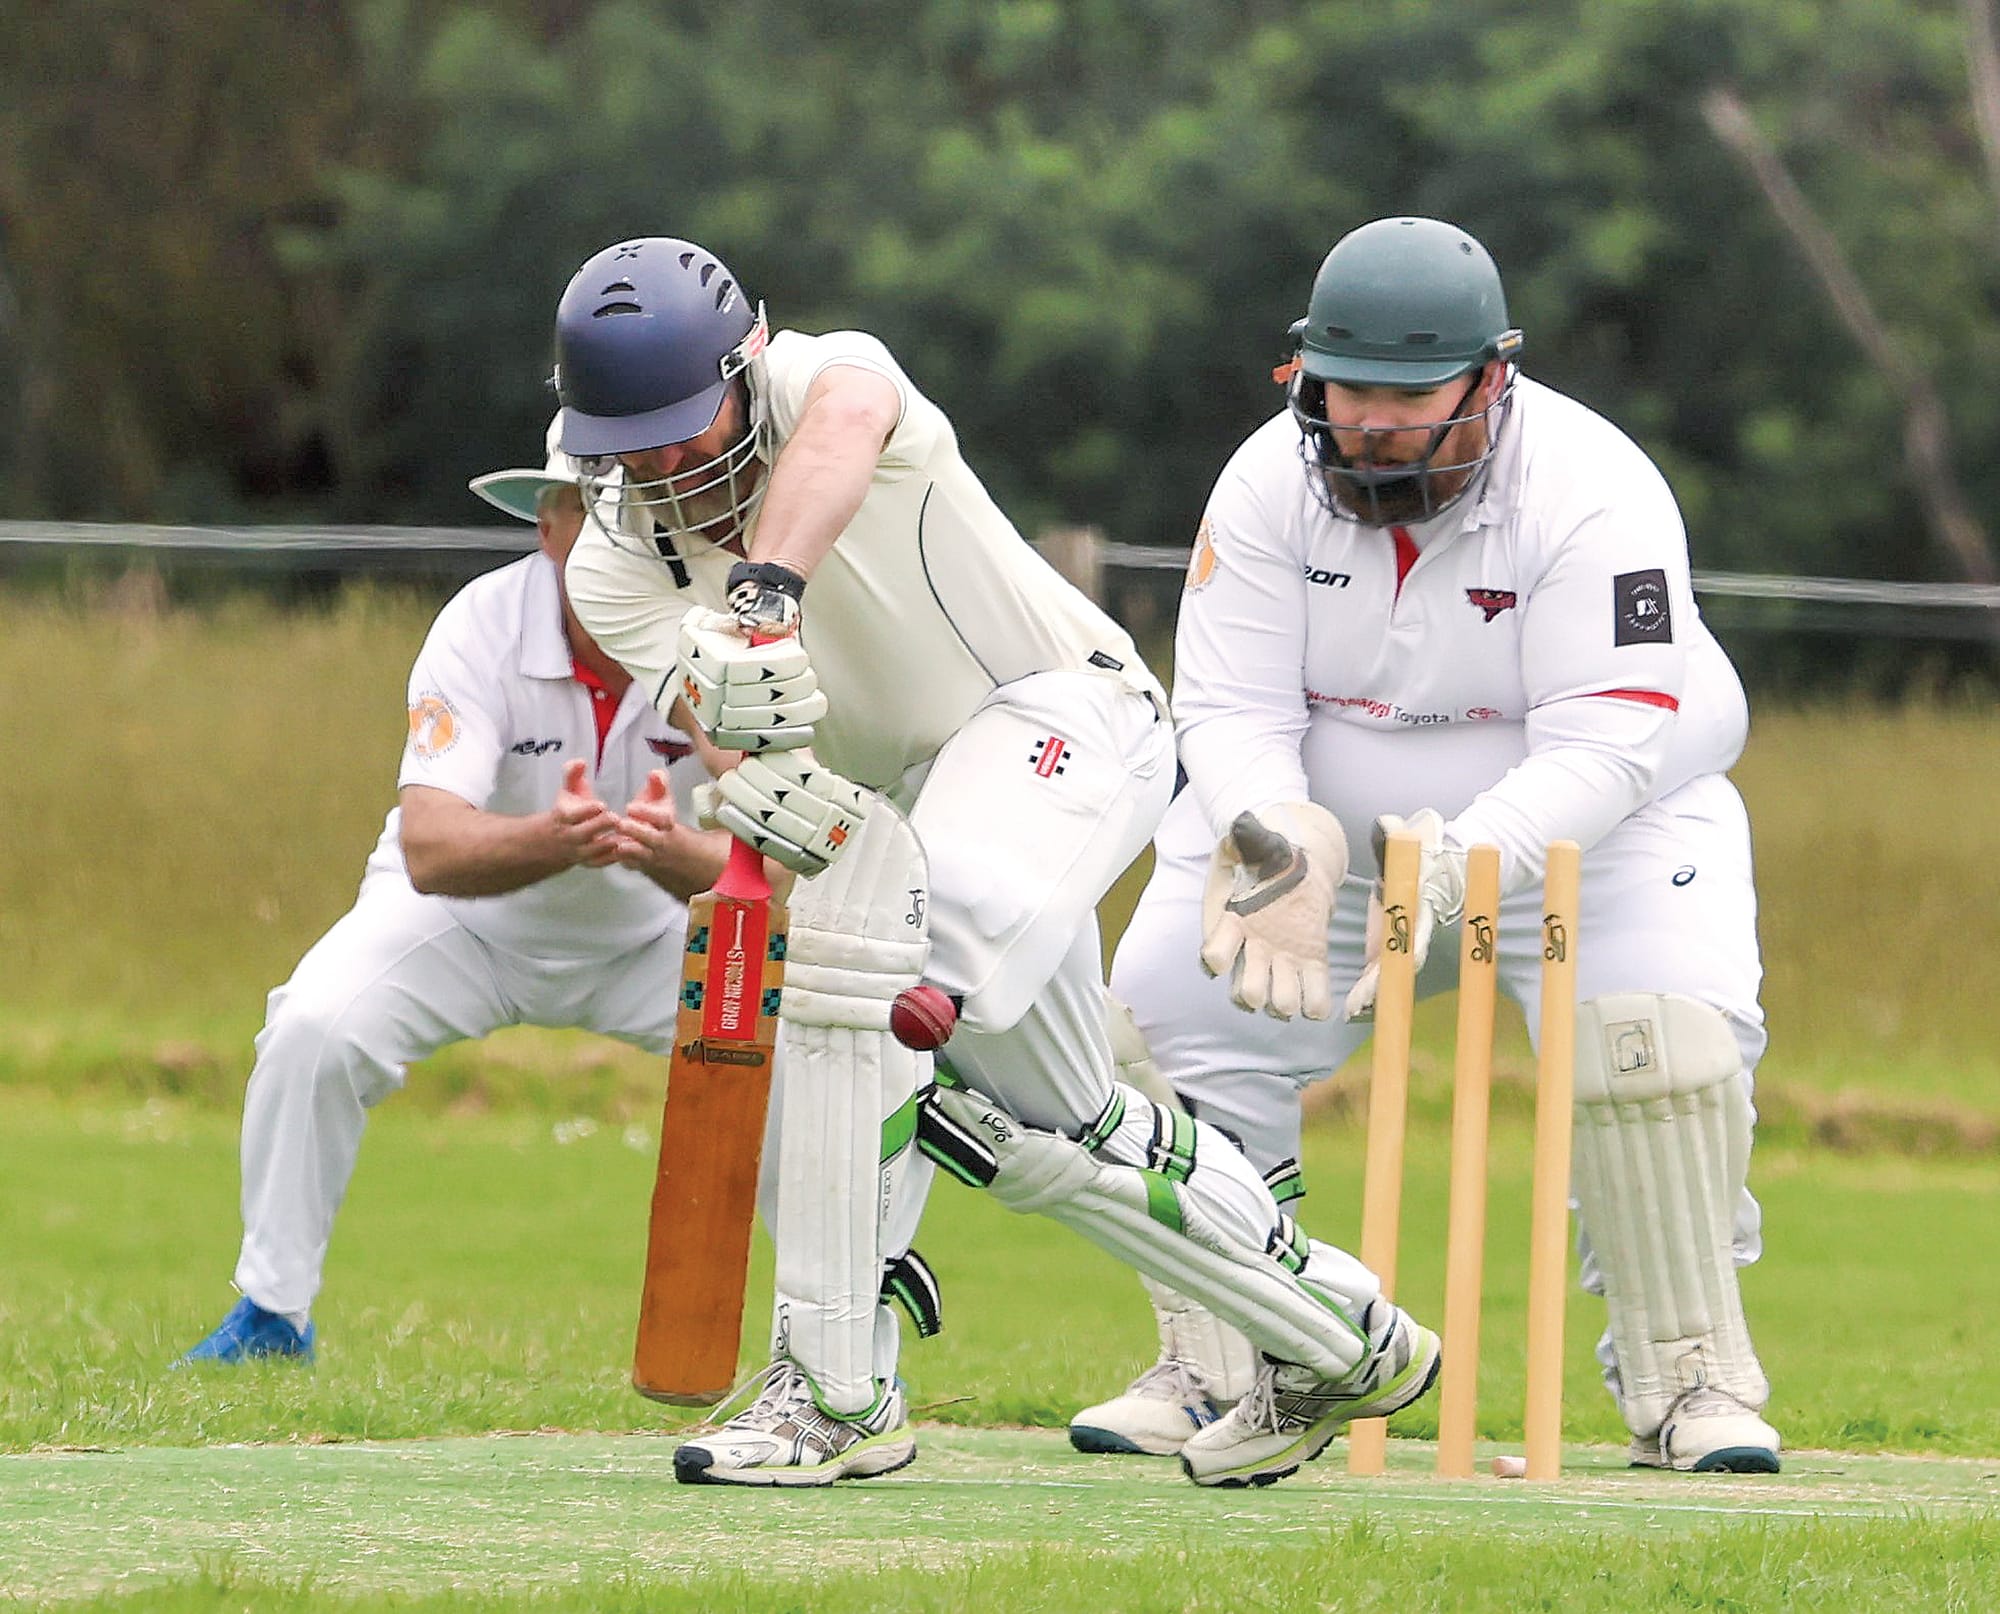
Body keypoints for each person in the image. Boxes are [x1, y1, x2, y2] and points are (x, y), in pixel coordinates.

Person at [547, 234, 1443, 1489]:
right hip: (909, 810)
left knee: (858, 985)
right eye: (624, 441)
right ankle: (1343, 1341)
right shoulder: (611, 563)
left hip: (1058, 719)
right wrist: (765, 782)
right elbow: (736, 754)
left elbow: (849, 418)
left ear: (747, 370)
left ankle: (835, 1394)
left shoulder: (828, 379)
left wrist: (761, 598)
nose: (657, 464)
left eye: (682, 428)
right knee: (1055, 1129)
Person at [1068, 216, 1782, 1475]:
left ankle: (1687, 1378)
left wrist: (1464, 857)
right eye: (1351, 394)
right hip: (1331, 847)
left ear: (1490, 377)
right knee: (1151, 1014)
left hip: (1594, 834)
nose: (1377, 425)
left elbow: (1611, 736)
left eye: (1412, 399)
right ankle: (1226, 1360)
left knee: (1652, 1051)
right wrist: (1273, 837)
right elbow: (1230, 705)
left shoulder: (1592, 485)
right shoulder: (1261, 483)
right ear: (1306, 375)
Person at [178, 425, 733, 1364]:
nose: (624, 536)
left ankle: (832, 1347)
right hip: (464, 924)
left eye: (644, 511)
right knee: (315, 1027)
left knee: (816, 1059)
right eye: (595, 510)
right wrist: (553, 840)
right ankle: (273, 1315)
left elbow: (777, 866)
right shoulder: (478, 626)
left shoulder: (715, 639)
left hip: (651, 934)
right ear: (550, 524)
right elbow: (432, 848)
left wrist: (673, 854)